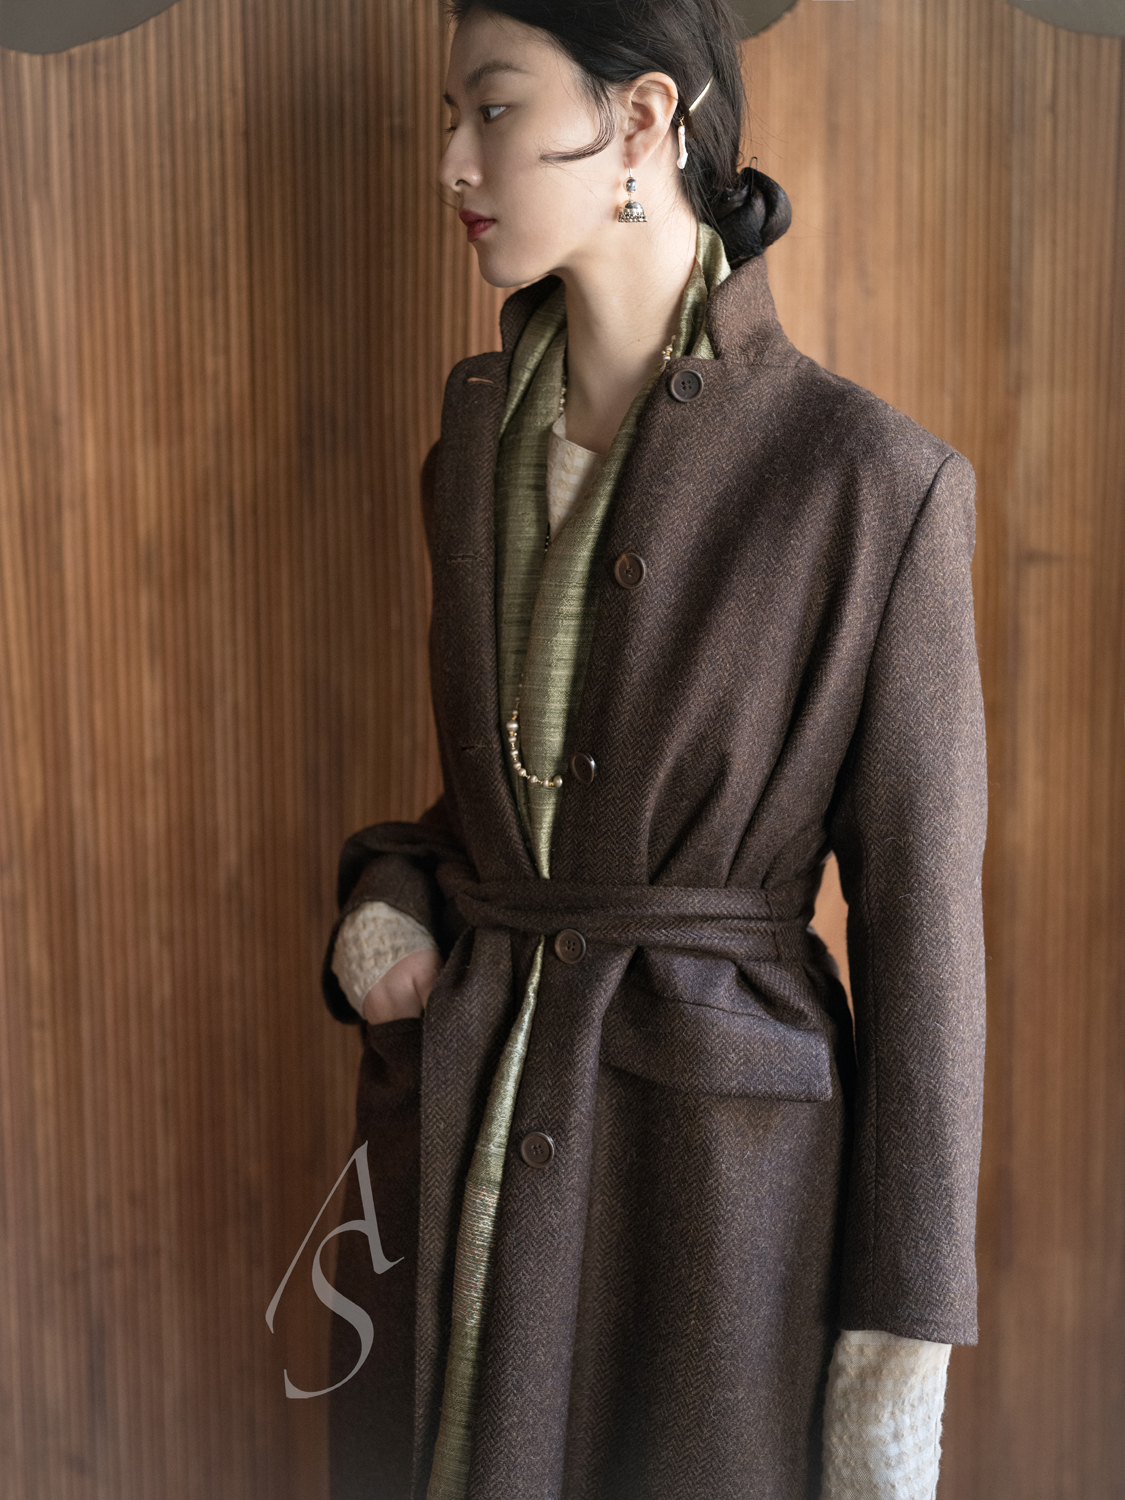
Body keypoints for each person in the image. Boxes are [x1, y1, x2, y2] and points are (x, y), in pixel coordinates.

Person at [321, 3, 988, 1497]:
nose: (451, 160)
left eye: (493, 108)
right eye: (450, 117)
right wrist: (395, 892)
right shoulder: (469, 454)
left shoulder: (868, 485)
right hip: (466, 1123)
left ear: (640, 122)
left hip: (711, 1202)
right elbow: (520, 809)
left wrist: (899, 1343)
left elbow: (924, 941)